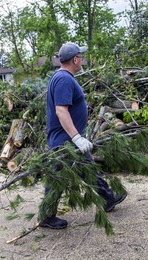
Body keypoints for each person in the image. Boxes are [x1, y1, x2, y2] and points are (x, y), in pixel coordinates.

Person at [39, 42, 127, 229]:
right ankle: (47, 216)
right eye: (81, 57)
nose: (82, 60)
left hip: (69, 138)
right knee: (57, 176)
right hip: (65, 140)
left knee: (87, 168)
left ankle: (107, 199)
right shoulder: (64, 79)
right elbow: (61, 111)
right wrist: (76, 137)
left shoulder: (62, 77)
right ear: (75, 60)